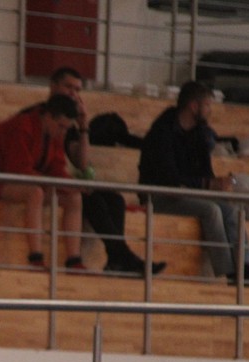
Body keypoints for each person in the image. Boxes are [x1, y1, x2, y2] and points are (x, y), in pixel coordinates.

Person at [138, 80, 249, 284]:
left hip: (188, 192)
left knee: (230, 210)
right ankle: (230, 272)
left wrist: (217, 185)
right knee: (211, 210)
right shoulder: (162, 133)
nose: (210, 111)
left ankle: (246, 267)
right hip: (160, 195)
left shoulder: (199, 134)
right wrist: (207, 185)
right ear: (193, 106)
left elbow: (204, 172)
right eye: (207, 105)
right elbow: (169, 179)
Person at [42, 67, 166, 276]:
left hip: (65, 180)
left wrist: (83, 127)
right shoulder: (44, 115)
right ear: (53, 86)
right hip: (48, 180)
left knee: (115, 199)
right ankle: (124, 257)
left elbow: (82, 164)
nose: (73, 93)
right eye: (68, 87)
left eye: (77, 89)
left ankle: (116, 259)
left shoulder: (71, 124)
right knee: (92, 200)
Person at [0, 94, 87, 271]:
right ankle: (36, 256)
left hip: (30, 180)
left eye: (66, 128)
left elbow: (57, 168)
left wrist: (71, 184)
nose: (63, 133)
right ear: (48, 117)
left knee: (74, 197)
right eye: (61, 126)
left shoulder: (54, 134)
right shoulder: (22, 126)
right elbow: (19, 170)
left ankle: (74, 260)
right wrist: (57, 182)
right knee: (35, 193)